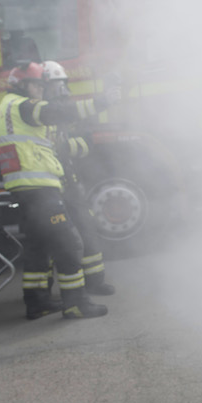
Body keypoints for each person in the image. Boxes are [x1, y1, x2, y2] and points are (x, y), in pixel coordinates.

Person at [0, 61, 115, 320]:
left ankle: (38, 302)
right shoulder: (24, 106)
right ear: (23, 85)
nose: (41, 90)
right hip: (39, 189)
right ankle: (76, 304)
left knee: (38, 247)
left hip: (24, 189)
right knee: (69, 244)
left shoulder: (2, 110)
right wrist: (100, 102)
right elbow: (56, 112)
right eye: (37, 85)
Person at [41, 61, 115, 296]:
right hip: (47, 186)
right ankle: (47, 291)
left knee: (86, 228)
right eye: (54, 86)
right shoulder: (39, 113)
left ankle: (95, 281)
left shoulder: (71, 112)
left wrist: (63, 147)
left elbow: (87, 143)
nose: (59, 90)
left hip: (70, 182)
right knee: (54, 239)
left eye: (61, 84)